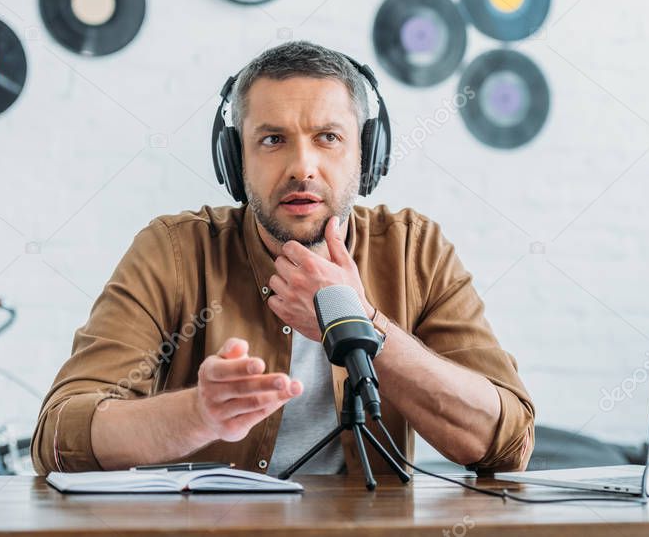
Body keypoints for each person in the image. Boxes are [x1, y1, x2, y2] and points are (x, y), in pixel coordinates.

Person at [31, 41, 535, 477]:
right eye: (273, 140)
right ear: (235, 158)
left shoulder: (415, 250)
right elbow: (59, 437)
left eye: (328, 137)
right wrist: (198, 415)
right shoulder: (173, 251)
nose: (302, 167)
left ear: (367, 154)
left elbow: (505, 443)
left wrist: (363, 322)